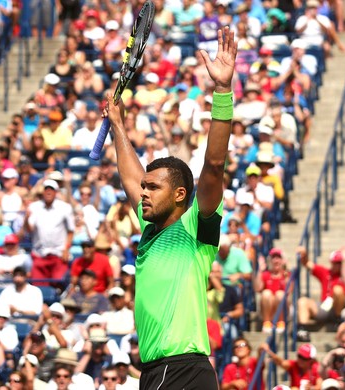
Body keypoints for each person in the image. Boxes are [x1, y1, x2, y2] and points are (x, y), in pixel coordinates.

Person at [102, 27, 237, 388]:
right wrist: (117, 126)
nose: (142, 194)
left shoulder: (196, 228)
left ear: (180, 195)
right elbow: (131, 178)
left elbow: (213, 165)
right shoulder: (149, 232)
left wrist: (222, 90)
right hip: (156, 372)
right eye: (144, 188)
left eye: (153, 188)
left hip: (181, 371)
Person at [296, 248, 345, 341]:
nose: (337, 265)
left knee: (337, 290)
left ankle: (337, 322)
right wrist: (304, 254)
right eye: (335, 262)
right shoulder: (325, 272)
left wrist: (344, 271)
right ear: (331, 262)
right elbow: (307, 264)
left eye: (339, 263)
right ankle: (302, 330)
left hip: (338, 309)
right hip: (324, 306)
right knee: (303, 301)